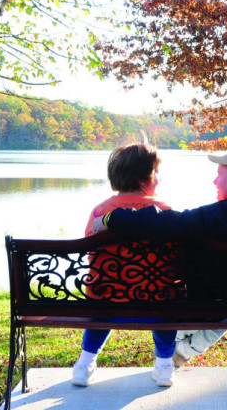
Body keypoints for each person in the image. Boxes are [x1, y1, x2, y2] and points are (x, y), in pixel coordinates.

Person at [91, 146, 227, 367]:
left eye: (218, 175)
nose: (215, 182)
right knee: (225, 309)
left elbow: (166, 222)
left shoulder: (218, 215)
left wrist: (111, 219)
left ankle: (177, 350)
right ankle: (182, 352)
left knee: (189, 311)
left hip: (215, 305)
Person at [72, 143, 178, 388]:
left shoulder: (100, 211)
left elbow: (91, 250)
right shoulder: (163, 211)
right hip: (156, 303)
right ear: (146, 179)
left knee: (104, 290)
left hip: (106, 302)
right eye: (157, 172)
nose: (159, 177)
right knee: (168, 296)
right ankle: (164, 366)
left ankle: (85, 363)